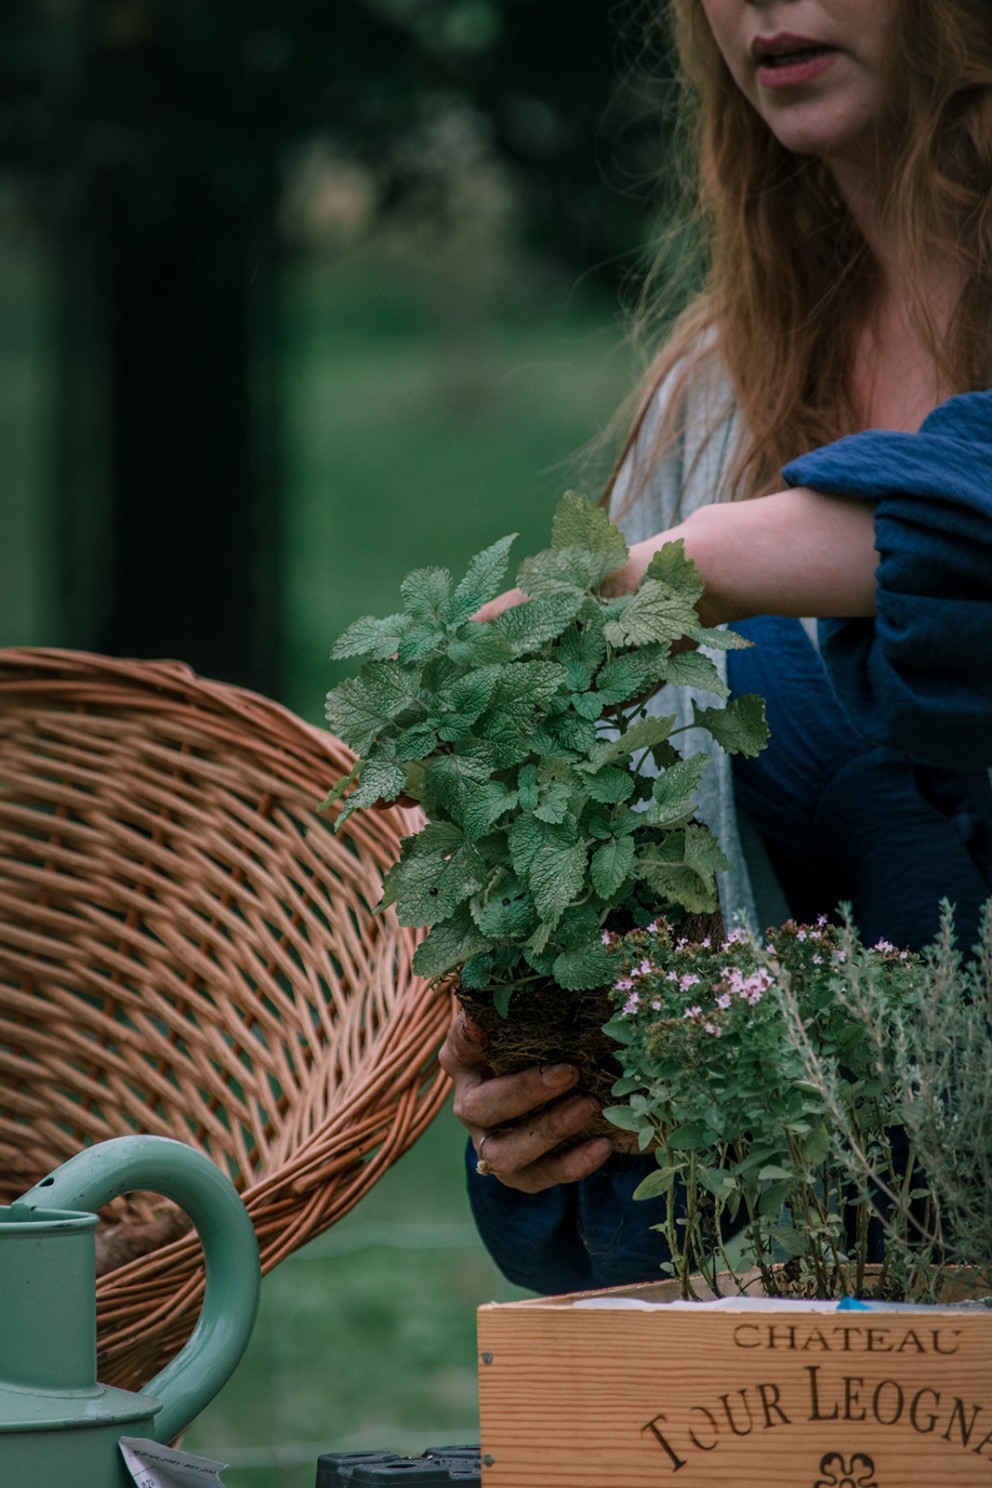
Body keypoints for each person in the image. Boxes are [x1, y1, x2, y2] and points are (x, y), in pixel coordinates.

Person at [439, 0, 992, 1294]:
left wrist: (692, 570)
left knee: (776, 683)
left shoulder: (703, 541)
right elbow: (659, 822)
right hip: (832, 1290)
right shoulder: (716, 387)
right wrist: (549, 1044)